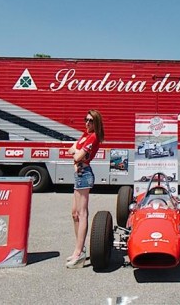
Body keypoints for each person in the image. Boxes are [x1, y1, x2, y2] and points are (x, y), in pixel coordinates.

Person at [65, 109, 104, 268]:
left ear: (96, 123)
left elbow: (77, 156)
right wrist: (76, 152)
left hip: (84, 175)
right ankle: (79, 249)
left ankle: (78, 252)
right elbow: (71, 150)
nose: (87, 123)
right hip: (79, 174)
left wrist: (77, 152)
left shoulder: (93, 137)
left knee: (82, 213)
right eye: (85, 119)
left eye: (90, 121)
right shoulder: (85, 135)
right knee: (74, 214)